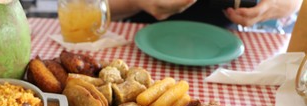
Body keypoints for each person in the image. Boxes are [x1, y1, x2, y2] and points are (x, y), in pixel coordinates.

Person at [109, 0, 303, 29]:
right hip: (135, 39)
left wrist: (270, 7)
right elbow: (85, 5)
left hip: (231, 47)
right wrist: (135, 2)